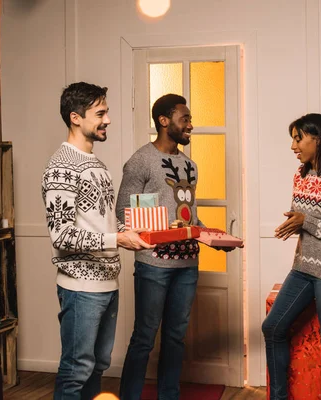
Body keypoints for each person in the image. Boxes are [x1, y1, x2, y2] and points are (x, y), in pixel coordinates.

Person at [117, 94, 233, 400]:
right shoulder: (141, 160)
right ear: (164, 121)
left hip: (187, 266)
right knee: (144, 337)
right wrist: (149, 231)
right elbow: (122, 211)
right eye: (185, 119)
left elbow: (190, 217)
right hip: (152, 264)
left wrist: (213, 237)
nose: (191, 125)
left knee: (175, 338)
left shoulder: (190, 165)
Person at [42, 82, 152, 400]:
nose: (108, 120)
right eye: (100, 113)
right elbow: (62, 235)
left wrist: (140, 232)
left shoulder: (97, 166)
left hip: (108, 284)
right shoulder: (61, 167)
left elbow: (104, 220)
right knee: (76, 371)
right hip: (80, 289)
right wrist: (117, 238)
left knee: (96, 368)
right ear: (76, 118)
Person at [262, 113, 321, 400]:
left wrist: (304, 222)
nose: (293, 146)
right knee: (272, 327)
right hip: (302, 266)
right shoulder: (301, 173)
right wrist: (296, 223)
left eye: (298, 138)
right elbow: (302, 216)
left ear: (318, 139)